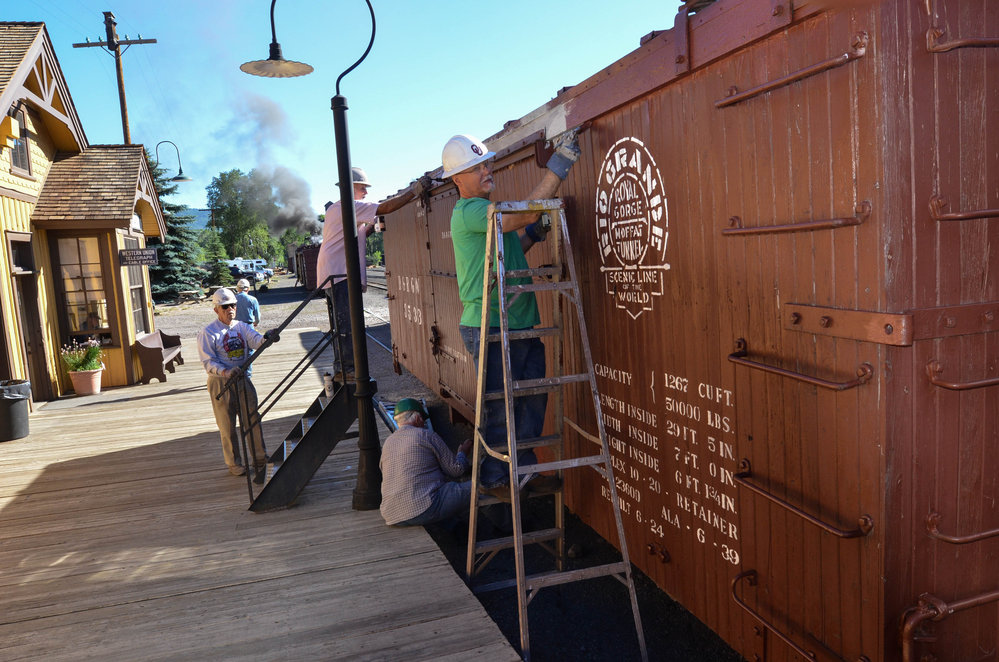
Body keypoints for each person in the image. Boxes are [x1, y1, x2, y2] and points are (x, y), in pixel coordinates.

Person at [443, 132, 580, 500]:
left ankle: (522, 470)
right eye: (477, 167)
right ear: (458, 180)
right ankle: (493, 477)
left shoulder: (489, 216)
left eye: (487, 163)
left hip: (518, 321)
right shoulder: (471, 211)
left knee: (532, 398)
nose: (488, 170)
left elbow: (513, 246)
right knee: (500, 405)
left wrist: (533, 233)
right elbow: (530, 209)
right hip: (489, 324)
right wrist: (560, 163)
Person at [316, 167, 427, 378]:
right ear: (350, 188)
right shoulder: (348, 206)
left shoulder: (338, 210)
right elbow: (385, 207)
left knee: (342, 325)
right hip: (339, 274)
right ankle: (348, 370)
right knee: (347, 324)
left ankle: (343, 368)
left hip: (332, 272)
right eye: (362, 188)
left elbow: (356, 234)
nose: (365, 193)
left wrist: (370, 227)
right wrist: (414, 191)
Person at [197, 288, 279, 481]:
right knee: (227, 425)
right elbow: (208, 362)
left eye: (233, 305)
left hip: (242, 379)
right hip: (220, 383)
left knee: (252, 419)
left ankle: (260, 458)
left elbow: (256, 341)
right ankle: (235, 463)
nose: (230, 309)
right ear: (216, 309)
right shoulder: (208, 333)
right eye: (225, 306)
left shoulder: (242, 327)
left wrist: (268, 337)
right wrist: (225, 371)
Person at [379, 398, 473, 527]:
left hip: (391, 514)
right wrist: (462, 453)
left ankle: (455, 529)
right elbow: (456, 470)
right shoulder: (426, 435)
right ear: (417, 418)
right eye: (423, 419)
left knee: (445, 490)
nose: (423, 423)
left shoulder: (388, 442)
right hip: (422, 508)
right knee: (481, 487)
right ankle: (506, 527)